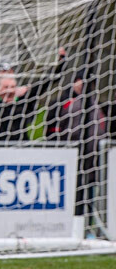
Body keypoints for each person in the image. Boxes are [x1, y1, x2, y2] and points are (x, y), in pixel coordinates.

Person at [46, 69, 106, 217]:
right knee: (68, 197)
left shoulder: (97, 106)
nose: (83, 85)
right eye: (80, 80)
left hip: (92, 162)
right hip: (69, 159)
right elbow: (51, 131)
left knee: (90, 196)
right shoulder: (63, 104)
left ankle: (87, 226)